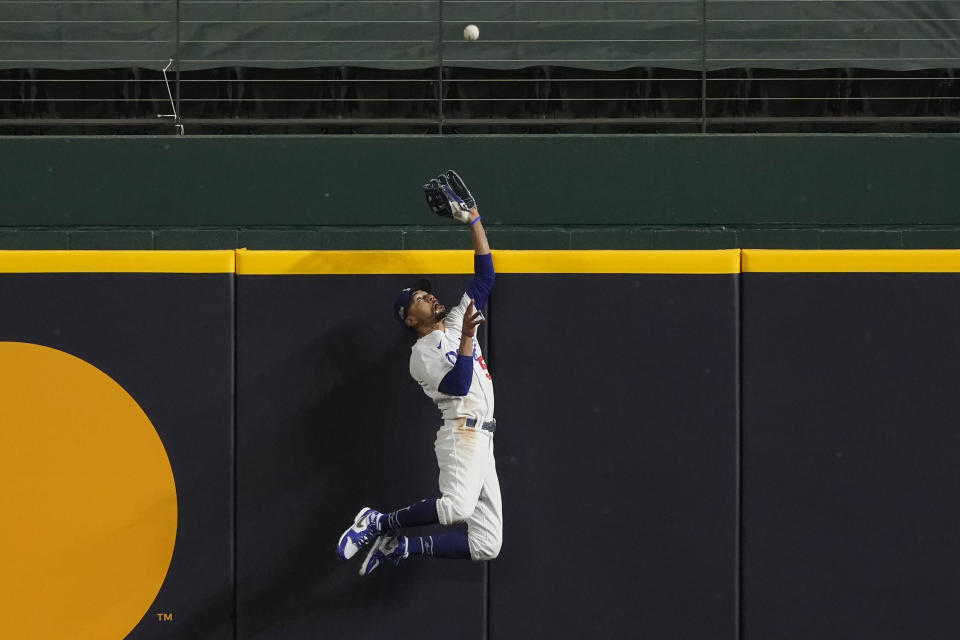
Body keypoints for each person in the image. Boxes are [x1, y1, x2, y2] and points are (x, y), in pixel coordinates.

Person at [336, 170, 502, 576]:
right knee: (456, 508)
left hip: (485, 437)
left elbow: (486, 277)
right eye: (419, 297)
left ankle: (400, 547)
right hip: (460, 433)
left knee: (487, 543)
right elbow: (460, 384)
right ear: (410, 318)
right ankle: (377, 521)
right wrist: (466, 337)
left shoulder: (456, 319)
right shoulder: (421, 354)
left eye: (427, 291)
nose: (429, 295)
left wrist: (475, 221)